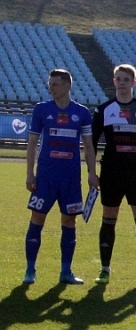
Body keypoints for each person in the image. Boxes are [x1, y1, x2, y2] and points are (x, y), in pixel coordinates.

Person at [23, 69, 98, 285]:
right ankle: (30, 270)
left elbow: (88, 147)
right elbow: (32, 143)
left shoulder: (81, 113)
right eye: (50, 84)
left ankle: (66, 271)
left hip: (70, 179)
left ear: (67, 86)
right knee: (37, 218)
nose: (51, 88)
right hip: (45, 177)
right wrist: (30, 173)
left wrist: (92, 173)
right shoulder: (41, 109)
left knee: (69, 220)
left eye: (55, 84)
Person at [91, 64, 136, 285]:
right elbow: (91, 143)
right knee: (108, 220)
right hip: (111, 173)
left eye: (126, 79)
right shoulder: (104, 110)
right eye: (118, 79)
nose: (122, 83)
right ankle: (104, 270)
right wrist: (91, 172)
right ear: (114, 82)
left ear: (134, 82)